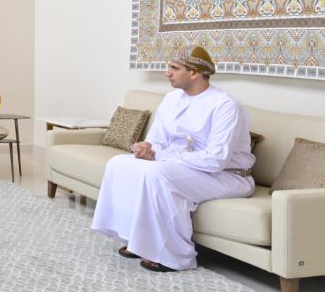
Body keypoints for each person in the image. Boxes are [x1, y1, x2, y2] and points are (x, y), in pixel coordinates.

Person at [91, 45, 255, 273]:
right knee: (118, 163)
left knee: (158, 174)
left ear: (194, 73)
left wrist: (159, 155)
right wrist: (146, 147)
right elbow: (156, 139)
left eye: (174, 68)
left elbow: (215, 160)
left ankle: (175, 257)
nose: (167, 73)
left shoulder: (226, 105)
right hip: (179, 166)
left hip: (227, 176)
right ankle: (138, 241)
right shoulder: (171, 99)